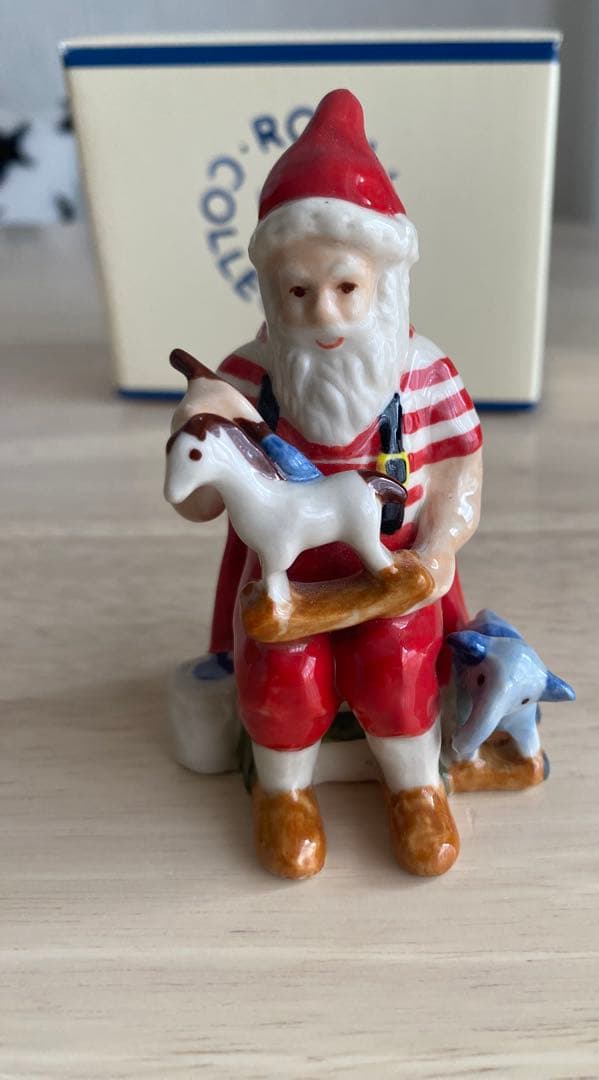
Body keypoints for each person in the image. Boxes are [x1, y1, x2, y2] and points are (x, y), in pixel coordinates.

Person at [170, 89, 482, 880]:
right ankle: (284, 794)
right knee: (283, 668)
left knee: (397, 657)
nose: (325, 315)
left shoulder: (426, 375)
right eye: (299, 292)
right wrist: (194, 424)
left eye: (346, 287)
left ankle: (415, 788)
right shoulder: (248, 377)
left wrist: (439, 550)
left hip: (395, 570)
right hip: (288, 579)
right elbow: (200, 502)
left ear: (383, 280)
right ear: (273, 291)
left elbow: (458, 475)